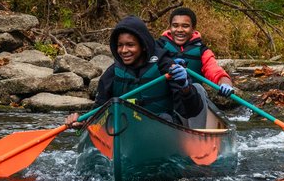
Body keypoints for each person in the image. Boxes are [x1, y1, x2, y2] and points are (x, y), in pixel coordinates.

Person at [66, 15, 200, 126]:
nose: (124, 51)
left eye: (130, 45)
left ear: (143, 46)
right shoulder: (112, 73)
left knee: (166, 118)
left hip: (161, 126)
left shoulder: (165, 67)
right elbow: (99, 112)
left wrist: (186, 88)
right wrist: (82, 122)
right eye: (120, 45)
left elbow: (191, 112)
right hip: (125, 127)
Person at [156, 6, 235, 97]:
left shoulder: (202, 50)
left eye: (185, 26)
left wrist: (226, 83)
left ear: (193, 29)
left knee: (198, 87)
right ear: (170, 27)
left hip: (191, 99)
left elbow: (214, 70)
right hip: (164, 98)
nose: (180, 30)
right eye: (175, 25)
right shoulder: (158, 46)